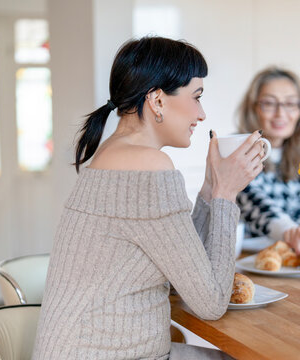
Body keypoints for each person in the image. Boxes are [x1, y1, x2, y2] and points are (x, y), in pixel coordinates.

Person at [32, 36, 265, 360]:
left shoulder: (113, 156)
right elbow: (211, 302)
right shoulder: (148, 166)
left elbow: (183, 268)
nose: (201, 113)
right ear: (157, 100)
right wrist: (227, 194)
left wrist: (212, 188)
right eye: (196, 97)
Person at [236, 67, 300, 255]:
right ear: (254, 108)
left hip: (292, 251)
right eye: (269, 103)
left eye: (290, 104)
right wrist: (291, 232)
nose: (280, 113)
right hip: (247, 256)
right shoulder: (237, 149)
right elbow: (254, 201)